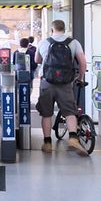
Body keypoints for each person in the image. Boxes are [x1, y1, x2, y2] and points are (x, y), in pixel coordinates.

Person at [35, 19, 88, 155]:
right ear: (65, 29)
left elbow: (37, 60)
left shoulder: (44, 42)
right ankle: (73, 139)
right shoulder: (73, 43)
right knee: (70, 112)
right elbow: (82, 62)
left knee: (46, 113)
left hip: (47, 82)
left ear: (52, 30)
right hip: (65, 83)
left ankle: (47, 143)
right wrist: (80, 77)